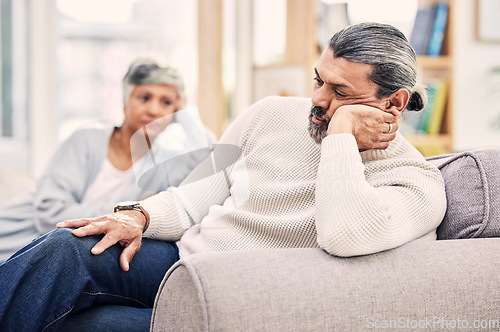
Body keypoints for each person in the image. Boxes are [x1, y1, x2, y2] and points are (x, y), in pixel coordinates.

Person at [0, 23, 447, 331]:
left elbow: (344, 233)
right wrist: (137, 216)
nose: (316, 100)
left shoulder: (414, 183)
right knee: (67, 249)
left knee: (84, 326)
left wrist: (342, 137)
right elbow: (194, 197)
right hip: (183, 260)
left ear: (393, 103)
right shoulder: (272, 114)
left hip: (244, 301)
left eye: (340, 93)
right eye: (318, 81)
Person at [0, 58, 212, 262]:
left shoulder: (164, 163)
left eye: (166, 103)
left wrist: (185, 113)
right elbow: (49, 213)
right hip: (11, 243)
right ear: (125, 103)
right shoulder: (87, 139)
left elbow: (210, 159)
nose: (154, 110)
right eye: (144, 98)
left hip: (52, 260)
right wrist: (129, 212)